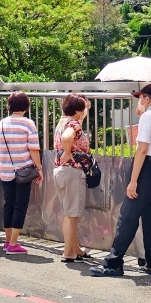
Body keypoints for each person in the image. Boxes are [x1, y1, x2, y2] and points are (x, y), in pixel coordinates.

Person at [90, 84, 151, 277]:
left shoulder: (148, 117)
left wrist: (133, 180)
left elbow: (142, 149)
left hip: (147, 168)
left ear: (147, 99)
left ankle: (114, 262)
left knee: (128, 215)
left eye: (140, 98)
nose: (138, 102)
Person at [0, 91, 42, 255]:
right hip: (24, 171)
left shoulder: (1, 124)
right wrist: (39, 169)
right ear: (26, 106)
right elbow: (33, 150)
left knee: (8, 204)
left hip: (6, 170)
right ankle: (14, 243)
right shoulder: (28, 124)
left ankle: (7, 241)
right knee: (20, 206)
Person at [53, 94, 92, 263]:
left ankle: (75, 248)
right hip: (72, 171)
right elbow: (67, 137)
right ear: (77, 110)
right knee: (72, 214)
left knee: (68, 213)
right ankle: (68, 253)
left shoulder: (63, 121)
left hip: (61, 171)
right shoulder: (73, 124)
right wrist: (68, 152)